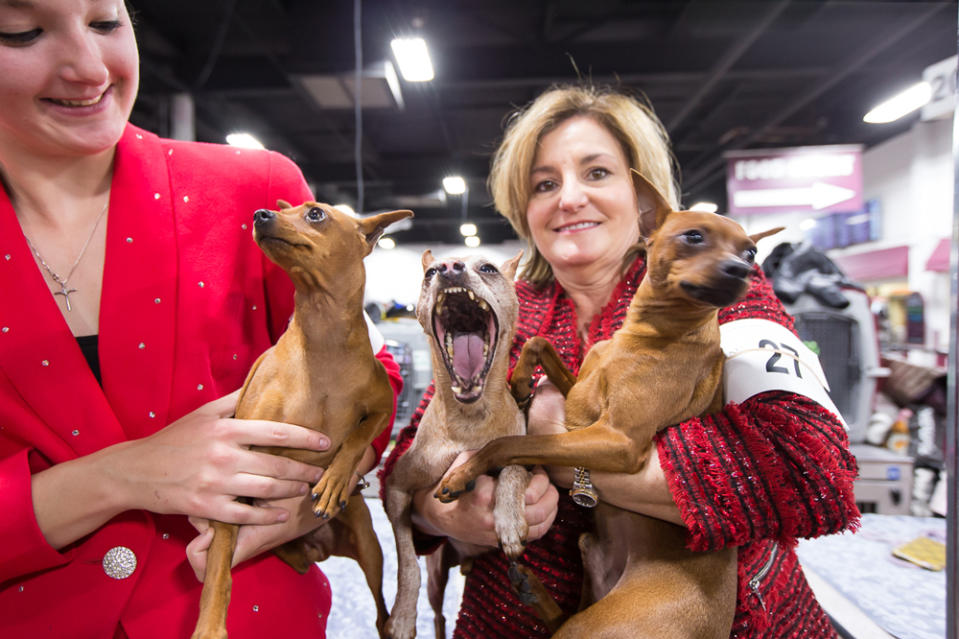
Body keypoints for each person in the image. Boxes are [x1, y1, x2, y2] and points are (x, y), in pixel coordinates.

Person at [379, 84, 860, 638]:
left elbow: (811, 471)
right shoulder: (505, 307)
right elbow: (412, 454)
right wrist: (441, 514)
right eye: (544, 184)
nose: (569, 198)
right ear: (524, 207)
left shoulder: (720, 294)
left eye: (597, 173)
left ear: (644, 199)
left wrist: (568, 465)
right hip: (511, 619)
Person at [0, 1, 401, 637]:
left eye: (106, 22)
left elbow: (368, 379)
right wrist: (119, 475)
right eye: (20, 33)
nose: (87, 67)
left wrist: (321, 490)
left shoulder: (254, 190)